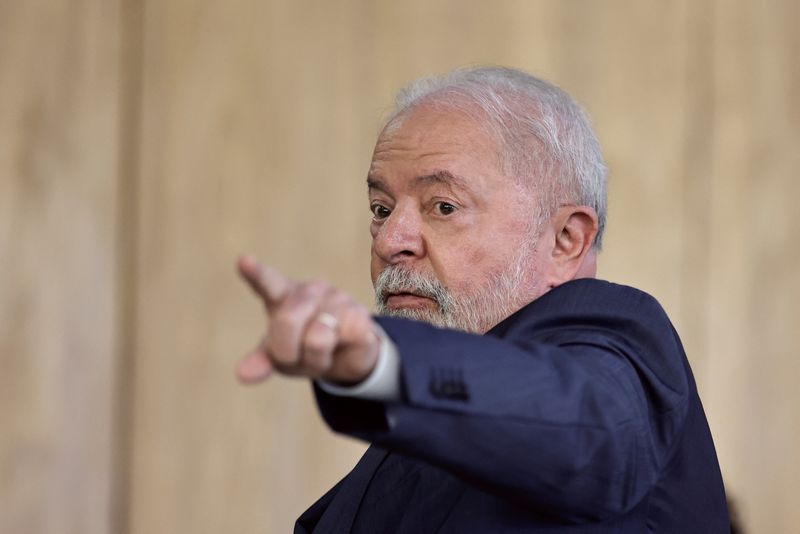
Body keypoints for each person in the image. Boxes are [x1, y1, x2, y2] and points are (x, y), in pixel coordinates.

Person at [236, 66, 730, 532]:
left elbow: (582, 428)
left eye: (444, 206)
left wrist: (381, 361)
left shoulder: (616, 345)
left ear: (565, 240)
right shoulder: (411, 436)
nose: (390, 240)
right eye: (381, 209)